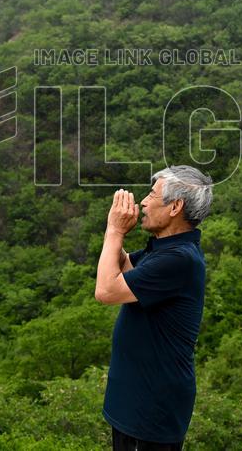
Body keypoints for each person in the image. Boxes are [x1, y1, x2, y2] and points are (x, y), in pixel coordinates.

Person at [94, 165, 213, 451]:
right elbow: (122, 269)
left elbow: (107, 290)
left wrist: (114, 230)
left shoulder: (179, 259)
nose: (144, 202)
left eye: (151, 194)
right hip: (135, 402)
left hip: (151, 410)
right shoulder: (164, 249)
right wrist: (116, 229)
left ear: (175, 207)